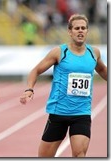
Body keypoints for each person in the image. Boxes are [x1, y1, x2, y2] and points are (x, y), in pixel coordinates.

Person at [19, 14, 107, 157]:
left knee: (80, 154)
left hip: (82, 113)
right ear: (70, 31)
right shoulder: (60, 52)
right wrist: (29, 89)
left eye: (83, 28)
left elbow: (102, 70)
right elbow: (36, 71)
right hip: (58, 112)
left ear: (87, 31)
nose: (80, 31)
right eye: (77, 28)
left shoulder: (94, 53)